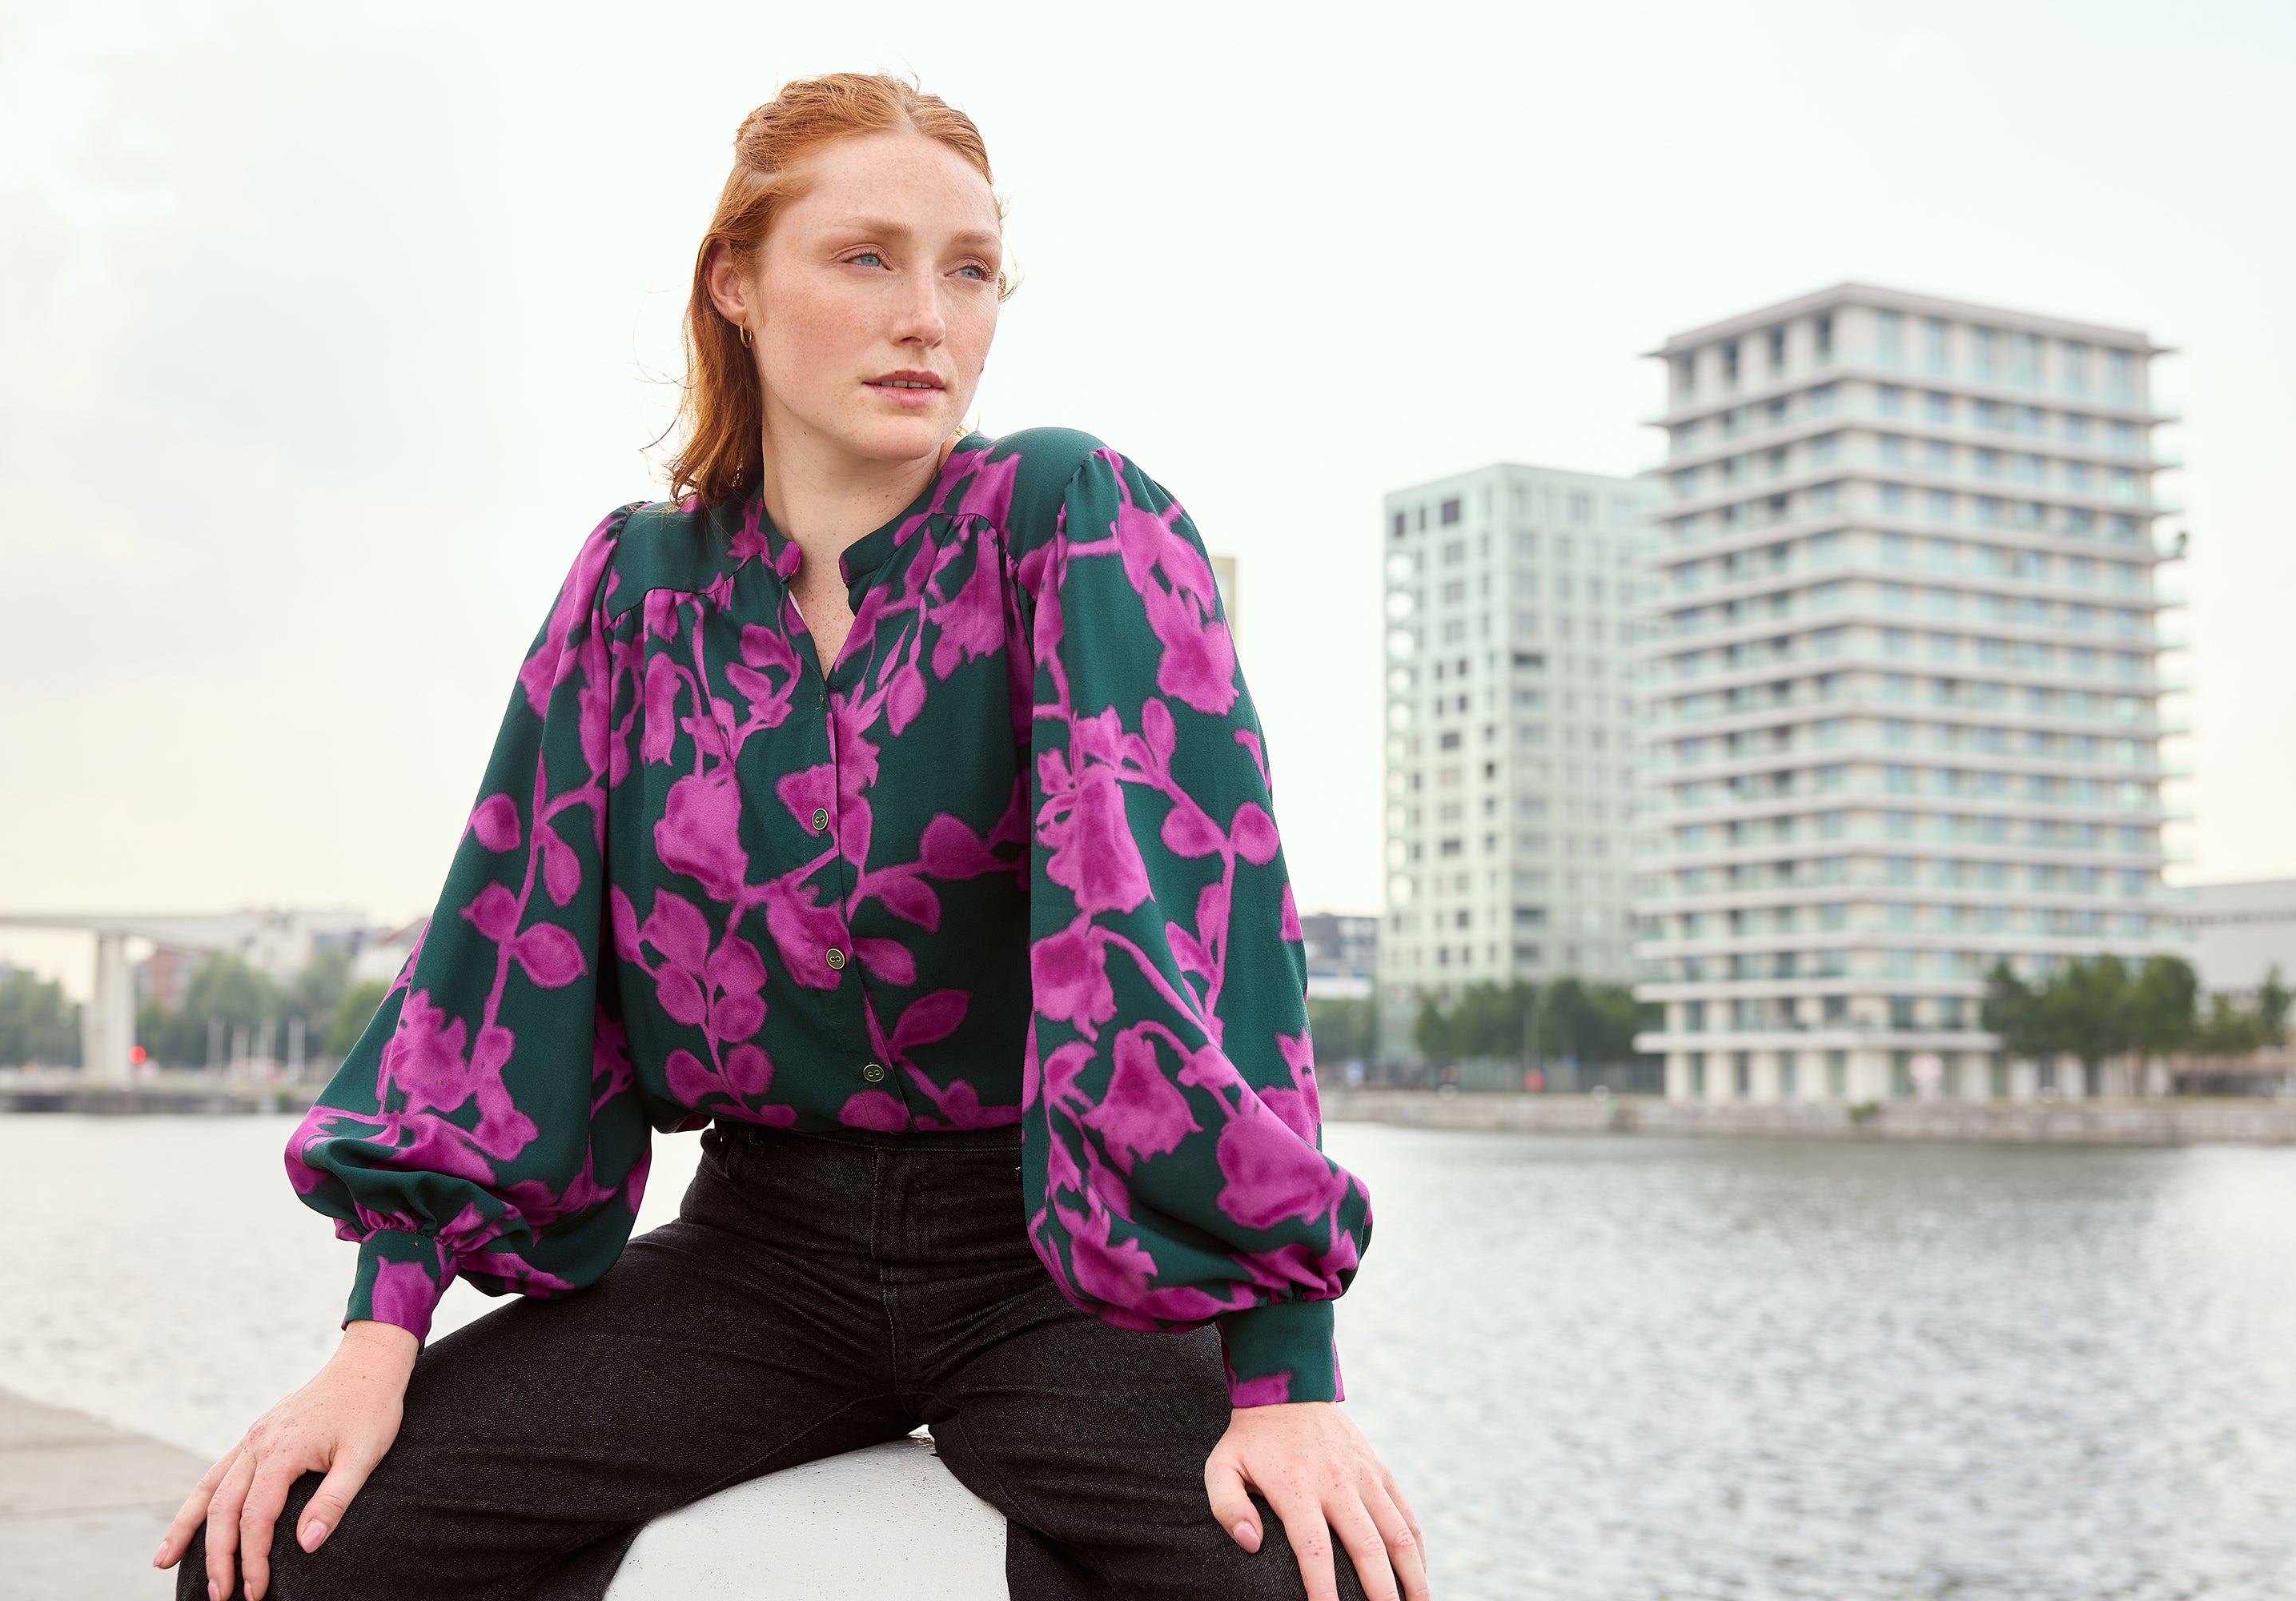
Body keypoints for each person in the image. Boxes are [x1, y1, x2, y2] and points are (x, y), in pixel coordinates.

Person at [157, 72, 1423, 1601]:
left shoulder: (1066, 516)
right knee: (278, 1557)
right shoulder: (637, 591)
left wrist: (1287, 1380)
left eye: (970, 270)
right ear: (736, 284)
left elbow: (1199, 952)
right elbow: (499, 962)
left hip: (1045, 1262)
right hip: (761, 1252)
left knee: (1306, 1587)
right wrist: (376, 1342)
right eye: (865, 257)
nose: (928, 318)